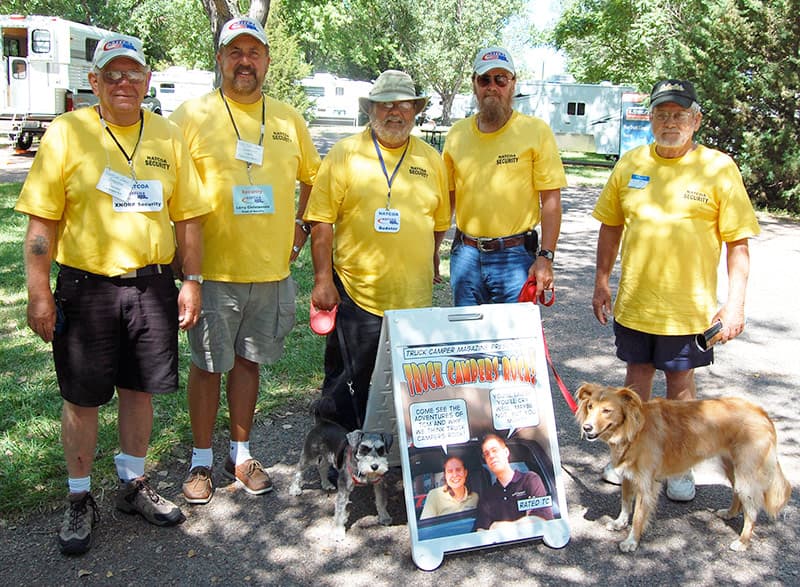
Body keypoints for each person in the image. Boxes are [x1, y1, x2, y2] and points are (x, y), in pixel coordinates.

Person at [15, 34, 209, 555]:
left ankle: (133, 483)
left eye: (134, 74)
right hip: (86, 287)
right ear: (94, 81)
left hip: (152, 284)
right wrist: (38, 294)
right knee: (81, 399)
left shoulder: (168, 135)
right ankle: (79, 498)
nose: (124, 82)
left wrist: (191, 281)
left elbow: (188, 216)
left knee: (139, 388)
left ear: (147, 81)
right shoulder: (66, 133)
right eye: (112, 74)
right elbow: (41, 224)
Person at [170, 16, 321, 505]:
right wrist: (181, 258)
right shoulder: (190, 116)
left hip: (270, 272)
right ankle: (198, 461)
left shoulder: (287, 119)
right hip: (211, 271)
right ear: (219, 58)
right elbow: (171, 189)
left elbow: (313, 182)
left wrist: (300, 231)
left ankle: (241, 454)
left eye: (254, 52)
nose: (245, 62)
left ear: (267, 61)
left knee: (249, 363)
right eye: (235, 52)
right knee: (208, 365)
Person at [591, 79, 761, 501]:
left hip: (688, 310)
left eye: (679, 114)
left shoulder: (719, 168)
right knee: (635, 384)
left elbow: (738, 242)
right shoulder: (630, 163)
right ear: (650, 118)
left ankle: (679, 466)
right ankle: (631, 458)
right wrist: (600, 280)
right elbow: (610, 226)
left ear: (696, 120)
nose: (670, 122)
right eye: (662, 114)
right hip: (635, 304)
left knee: (681, 390)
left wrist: (735, 303)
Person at [304, 70, 450, 431]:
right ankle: (337, 456)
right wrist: (323, 279)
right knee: (347, 383)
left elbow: (439, 222)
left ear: (415, 110)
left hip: (413, 300)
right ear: (372, 109)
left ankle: (398, 460)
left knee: (408, 385)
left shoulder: (432, 160)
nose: (394, 112)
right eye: (385, 104)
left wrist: (432, 259)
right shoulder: (344, 154)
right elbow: (321, 221)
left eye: (403, 104)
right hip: (357, 294)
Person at [443, 47, 567, 306]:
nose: (492, 87)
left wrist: (545, 257)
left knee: (512, 343)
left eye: (501, 79)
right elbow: (447, 199)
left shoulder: (535, 131)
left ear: (512, 84)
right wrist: (432, 250)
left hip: (515, 258)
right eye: (484, 80)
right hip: (466, 256)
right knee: (467, 338)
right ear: (474, 84)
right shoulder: (457, 134)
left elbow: (552, 202)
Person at [474, 434, 554, 530]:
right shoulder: (487, 496)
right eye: (486, 454)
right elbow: (481, 530)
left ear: (506, 452)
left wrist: (499, 526)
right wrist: (524, 521)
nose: (491, 456)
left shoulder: (530, 480)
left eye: (494, 450)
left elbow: (542, 521)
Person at [420, 454, 479, 519]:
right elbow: (427, 527)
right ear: (445, 475)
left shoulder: (475, 497)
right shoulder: (435, 495)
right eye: (450, 471)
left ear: (465, 473)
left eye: (458, 470)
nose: (454, 475)